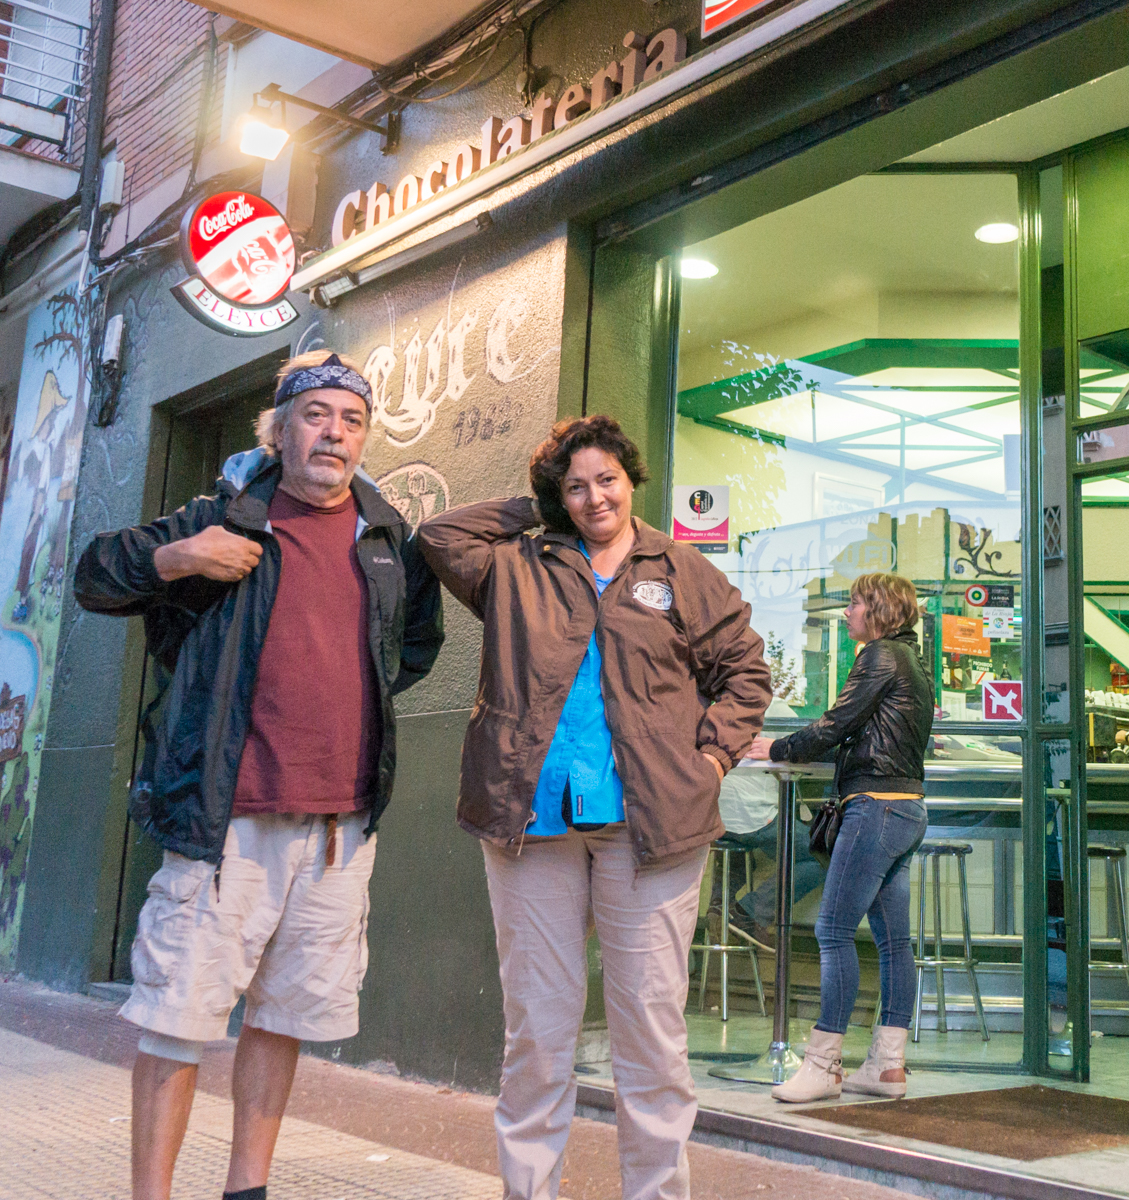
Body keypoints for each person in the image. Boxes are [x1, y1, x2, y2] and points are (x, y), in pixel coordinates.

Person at [74, 351, 443, 1200]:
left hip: (336, 831)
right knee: (177, 1022)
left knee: (284, 1020)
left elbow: (413, 646)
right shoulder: (222, 520)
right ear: (280, 430)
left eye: (351, 420)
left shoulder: (385, 539)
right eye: (315, 415)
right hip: (224, 823)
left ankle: (248, 1188)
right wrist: (180, 560)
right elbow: (96, 574)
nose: (334, 433)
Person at [417, 415, 772, 1200]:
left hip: (651, 828)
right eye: (574, 486)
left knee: (648, 1036)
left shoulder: (679, 570)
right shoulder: (517, 565)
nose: (593, 497)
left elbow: (745, 669)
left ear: (631, 478)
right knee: (537, 1035)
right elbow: (439, 535)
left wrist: (711, 759)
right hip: (533, 822)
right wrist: (537, 504)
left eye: (605, 478)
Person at [749, 572, 933, 1104]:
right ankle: (886, 1065)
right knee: (894, 940)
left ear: (877, 608)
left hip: (874, 810)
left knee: (832, 929)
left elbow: (833, 726)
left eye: (853, 603)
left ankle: (825, 1063)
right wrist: (791, 747)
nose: (847, 612)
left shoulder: (879, 656)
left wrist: (778, 748)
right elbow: (862, 740)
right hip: (905, 809)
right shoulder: (914, 663)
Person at [712, 697, 825, 950]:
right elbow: (806, 749)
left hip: (714, 815)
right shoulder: (774, 706)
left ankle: (719, 906)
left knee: (739, 848)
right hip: (751, 813)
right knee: (822, 853)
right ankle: (749, 913)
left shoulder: (714, 707)